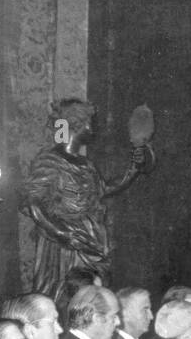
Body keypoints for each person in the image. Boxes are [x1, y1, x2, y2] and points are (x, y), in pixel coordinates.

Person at [22, 97, 153, 297]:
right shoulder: (49, 161)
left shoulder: (85, 164)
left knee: (91, 293)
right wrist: (63, 233)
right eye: (90, 121)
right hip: (63, 243)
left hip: (88, 238)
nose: (93, 127)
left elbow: (105, 188)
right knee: (63, 294)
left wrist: (134, 169)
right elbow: (34, 203)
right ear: (78, 124)